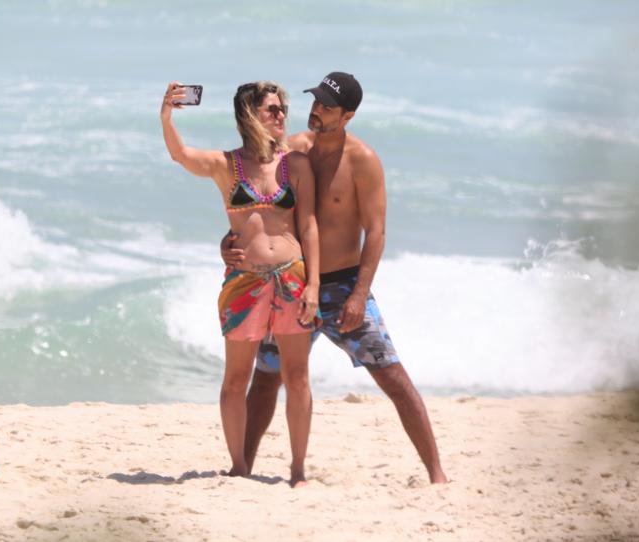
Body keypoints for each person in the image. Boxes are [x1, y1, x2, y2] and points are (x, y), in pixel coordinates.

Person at [222, 72, 448, 484]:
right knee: (267, 379)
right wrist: (230, 242)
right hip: (292, 284)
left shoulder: (362, 160)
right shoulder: (292, 151)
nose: (316, 109)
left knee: (393, 375)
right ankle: (243, 472)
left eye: (327, 105)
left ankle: (437, 474)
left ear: (348, 115)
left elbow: (376, 233)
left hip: (343, 284)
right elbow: (256, 203)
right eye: (316, 100)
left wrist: (359, 294)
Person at [161, 80, 320, 487]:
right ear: (250, 114)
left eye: (282, 108)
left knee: (297, 376)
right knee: (235, 379)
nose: (281, 114)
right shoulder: (226, 165)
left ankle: (298, 470)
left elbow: (308, 226)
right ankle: (238, 466)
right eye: (272, 109)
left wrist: (314, 285)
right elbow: (180, 155)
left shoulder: (295, 162)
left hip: (291, 278)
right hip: (244, 284)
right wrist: (166, 115)